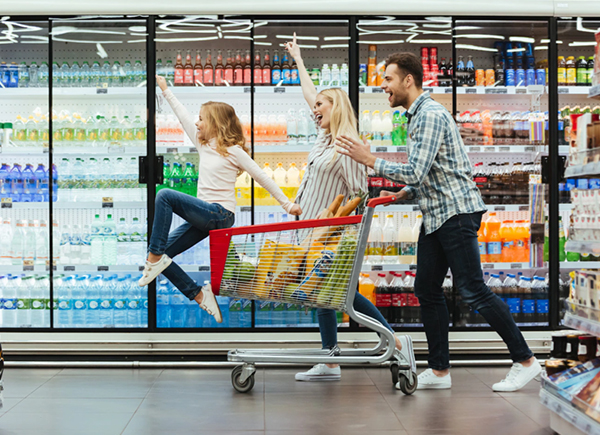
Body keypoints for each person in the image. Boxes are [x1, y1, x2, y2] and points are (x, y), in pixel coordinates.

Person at [336, 52, 542, 392]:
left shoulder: (429, 115)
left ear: (408, 80)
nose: (383, 85)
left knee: (473, 289)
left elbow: (417, 170)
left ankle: (526, 361)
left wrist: (370, 160)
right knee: (427, 289)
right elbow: (430, 173)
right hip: (437, 214)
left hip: (455, 213)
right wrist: (404, 194)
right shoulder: (417, 116)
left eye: (388, 79)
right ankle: (439, 370)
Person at [285, 34, 416, 382]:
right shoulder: (324, 138)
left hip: (332, 236)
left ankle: (393, 343)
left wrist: (333, 226)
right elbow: (310, 94)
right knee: (328, 295)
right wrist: (299, 60)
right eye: (314, 106)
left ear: (336, 107)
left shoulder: (347, 143)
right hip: (310, 231)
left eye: (320, 105)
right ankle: (332, 359)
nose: (314, 109)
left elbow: (359, 193)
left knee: (341, 295)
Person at [139, 75, 302, 323]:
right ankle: (198, 294)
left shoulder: (234, 151)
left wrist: (287, 204)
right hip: (204, 216)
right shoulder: (202, 144)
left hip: (220, 214)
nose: (196, 123)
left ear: (215, 123)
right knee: (163, 255)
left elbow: (261, 177)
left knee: (164, 196)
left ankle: (152, 258)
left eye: (201, 118)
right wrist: (165, 89)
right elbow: (182, 115)